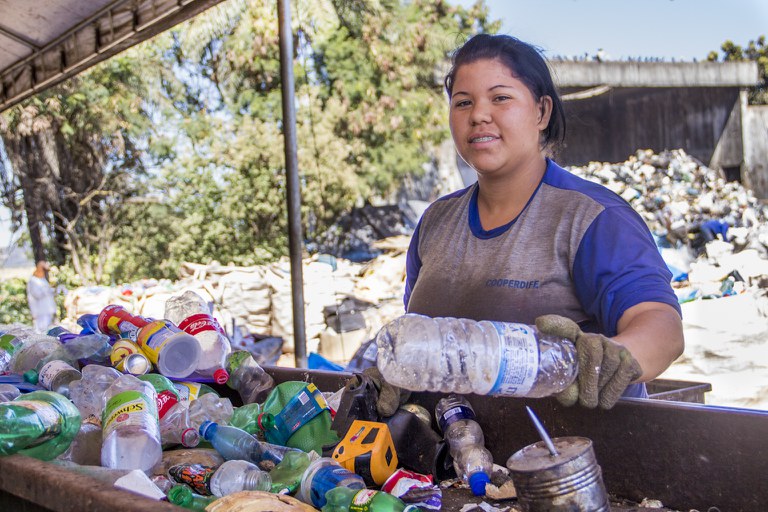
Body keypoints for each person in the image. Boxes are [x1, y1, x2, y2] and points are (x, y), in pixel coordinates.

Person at [403, 34, 684, 409]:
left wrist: (613, 356)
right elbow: (423, 339)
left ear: (541, 112)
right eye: (463, 102)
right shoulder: (436, 223)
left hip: (571, 458)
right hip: (454, 456)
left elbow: (661, 326)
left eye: (500, 98)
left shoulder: (591, 218)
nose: (478, 115)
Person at [27, 260, 57, 332]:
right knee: (41, 331)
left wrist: (53, 290)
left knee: (47, 330)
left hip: (47, 310)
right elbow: (37, 294)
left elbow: (47, 292)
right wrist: (47, 290)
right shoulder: (33, 280)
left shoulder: (42, 279)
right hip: (40, 311)